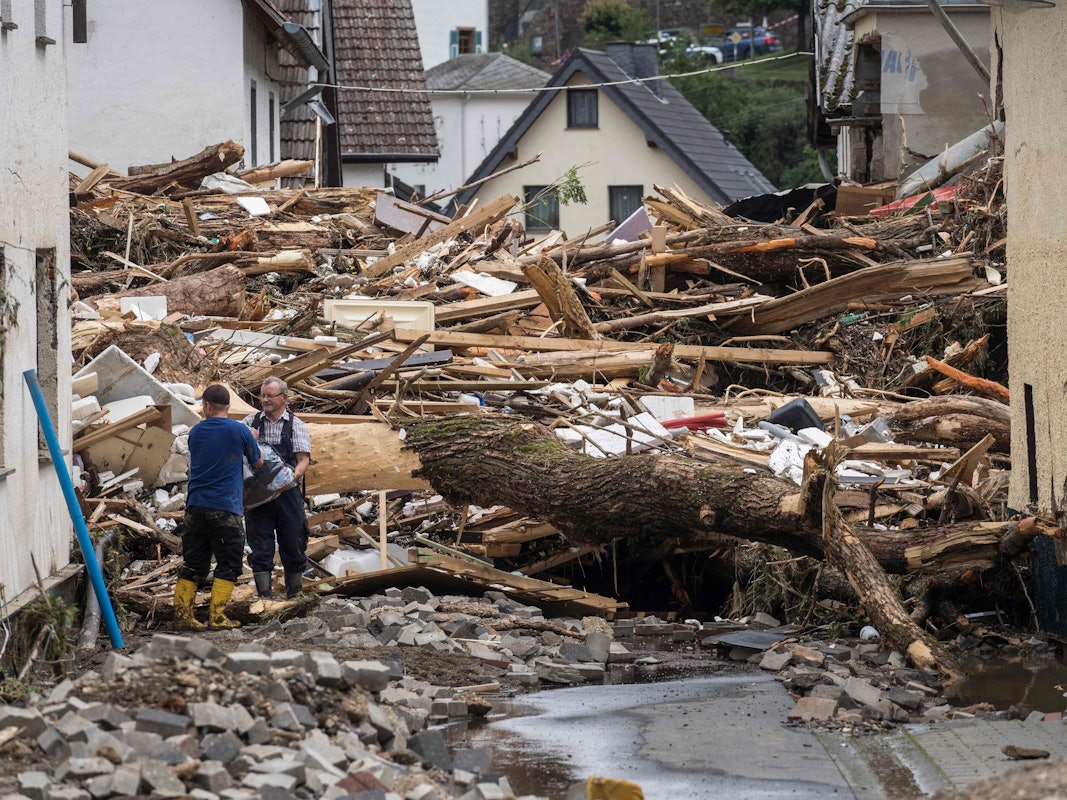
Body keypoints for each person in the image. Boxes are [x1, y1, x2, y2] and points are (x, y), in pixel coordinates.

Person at [175, 384, 262, 630]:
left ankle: (182, 617)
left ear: (207, 405)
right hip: (226, 508)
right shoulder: (240, 430)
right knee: (229, 563)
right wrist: (252, 440)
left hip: (195, 507)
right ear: (228, 406)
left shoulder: (196, 432)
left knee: (194, 564)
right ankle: (218, 617)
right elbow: (258, 462)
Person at [243, 377, 311, 599]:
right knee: (260, 546)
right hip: (257, 498)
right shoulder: (250, 423)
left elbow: (303, 460)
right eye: (262, 395)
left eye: (270, 396)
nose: (265, 400)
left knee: (293, 542)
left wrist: (290, 479)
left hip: (287, 495)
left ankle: (295, 596)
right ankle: (265, 598)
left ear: (284, 398)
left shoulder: (295, 425)